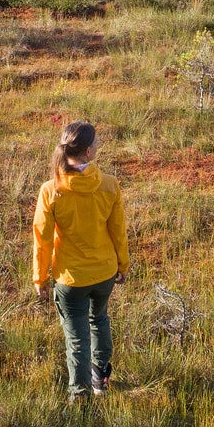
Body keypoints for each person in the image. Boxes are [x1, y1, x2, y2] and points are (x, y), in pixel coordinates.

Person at [32, 121, 129, 403]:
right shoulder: (109, 185)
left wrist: (40, 277)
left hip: (70, 279)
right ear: (87, 151)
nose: (99, 145)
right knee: (99, 319)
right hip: (103, 274)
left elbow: (43, 239)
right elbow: (118, 231)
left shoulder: (51, 190)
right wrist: (122, 265)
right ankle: (100, 378)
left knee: (77, 339)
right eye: (97, 142)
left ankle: (80, 395)